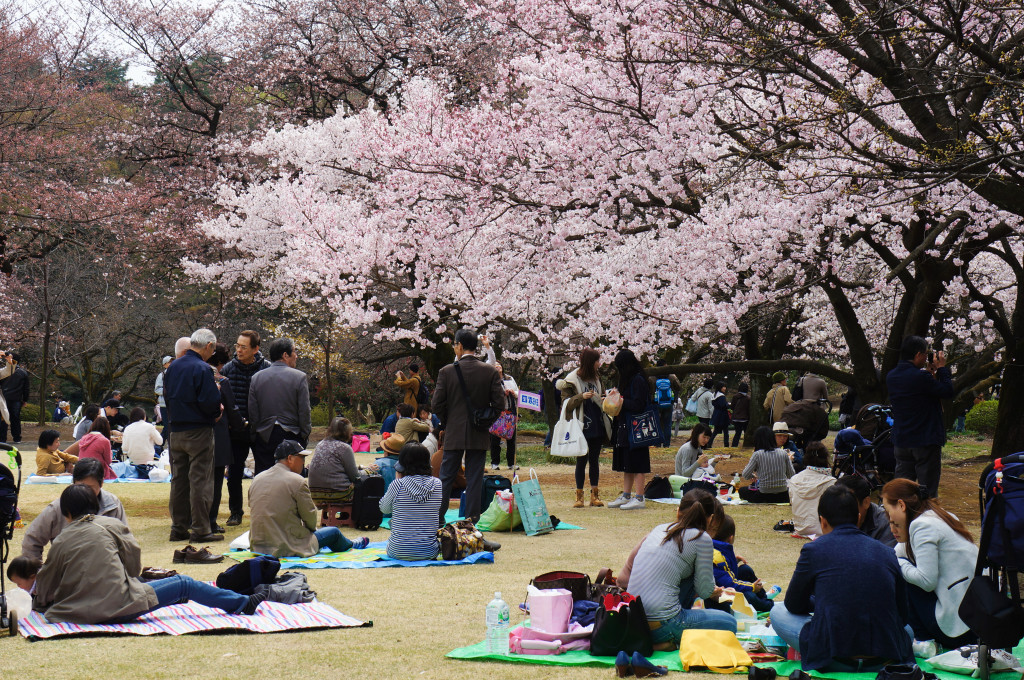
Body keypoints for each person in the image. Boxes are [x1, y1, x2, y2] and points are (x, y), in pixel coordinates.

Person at [31, 485, 268, 624]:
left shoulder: (61, 539)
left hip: (76, 610)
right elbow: (134, 568)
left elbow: (46, 583)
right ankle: (242, 604)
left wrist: (40, 603)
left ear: (67, 513)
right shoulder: (110, 525)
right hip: (121, 605)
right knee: (183, 583)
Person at [770, 485, 914, 672]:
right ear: (859, 518)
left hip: (834, 655)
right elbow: (902, 615)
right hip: (883, 655)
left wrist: (822, 605)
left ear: (822, 522)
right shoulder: (887, 552)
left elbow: (793, 605)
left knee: (778, 612)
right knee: (908, 631)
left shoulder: (814, 550)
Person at [619, 490, 736, 650]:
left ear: (678, 510)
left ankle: (657, 640)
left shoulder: (659, 529)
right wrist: (714, 592)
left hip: (634, 620)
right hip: (665, 624)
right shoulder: (702, 538)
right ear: (710, 519)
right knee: (729, 622)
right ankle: (664, 642)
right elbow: (704, 591)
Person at [881, 479, 978, 649]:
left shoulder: (921, 525)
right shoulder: (940, 516)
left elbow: (927, 581)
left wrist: (896, 564)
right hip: (976, 622)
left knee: (902, 570)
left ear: (901, 505)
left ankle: (922, 640)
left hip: (957, 628)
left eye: (888, 511)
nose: (889, 520)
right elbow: (894, 553)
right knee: (900, 563)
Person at [432, 328, 505, 526]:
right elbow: (500, 404)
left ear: (460, 346)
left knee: (445, 478)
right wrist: (485, 420)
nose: (454, 348)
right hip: (479, 433)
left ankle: (437, 520)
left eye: (455, 344)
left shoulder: (446, 371)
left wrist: (449, 420)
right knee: (474, 479)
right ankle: (471, 522)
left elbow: (436, 404)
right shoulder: (489, 371)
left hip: (454, 432)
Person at [248, 440, 368, 558]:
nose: (303, 462)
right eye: (301, 457)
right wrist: (311, 531)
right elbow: (310, 518)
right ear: (290, 458)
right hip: (285, 545)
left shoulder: (257, 478)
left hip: (258, 545)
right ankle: (352, 544)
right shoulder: (296, 481)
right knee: (334, 533)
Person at [165, 328, 223, 543]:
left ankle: (178, 527)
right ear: (208, 346)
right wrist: (217, 412)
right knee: (200, 480)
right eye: (213, 349)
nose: (213, 353)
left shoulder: (173, 367)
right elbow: (210, 402)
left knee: (178, 480)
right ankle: (200, 529)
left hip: (176, 431)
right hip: (198, 431)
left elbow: (166, 398)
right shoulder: (203, 369)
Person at [885, 336, 954, 498]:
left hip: (902, 439)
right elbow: (947, 391)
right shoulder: (920, 377)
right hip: (925, 439)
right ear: (917, 355)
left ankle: (901, 519)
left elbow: (920, 393)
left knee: (902, 489)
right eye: (925, 354)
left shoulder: (892, 376)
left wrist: (930, 374)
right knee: (927, 490)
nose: (926, 358)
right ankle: (926, 518)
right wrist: (942, 369)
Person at [22, 458, 128, 561]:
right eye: (81, 486)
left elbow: (125, 542)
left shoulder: (112, 505)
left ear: (101, 484)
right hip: (67, 573)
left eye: (90, 488)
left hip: (105, 571)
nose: (85, 492)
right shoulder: (58, 507)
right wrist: (36, 574)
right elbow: (32, 539)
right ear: (73, 483)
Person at [221, 330, 272, 526]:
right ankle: (236, 511)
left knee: (263, 473)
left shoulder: (266, 369)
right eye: (237, 346)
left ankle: (262, 510)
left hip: (260, 429)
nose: (239, 350)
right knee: (234, 473)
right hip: (236, 429)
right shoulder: (227, 370)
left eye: (244, 347)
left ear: (255, 349)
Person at [248, 337, 311, 475]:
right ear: (285, 355)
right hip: (292, 435)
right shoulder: (299, 377)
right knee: (291, 478)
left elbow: (253, 412)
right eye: (294, 351)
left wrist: (254, 436)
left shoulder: (256, 378)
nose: (296, 356)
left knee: (264, 478)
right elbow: (304, 411)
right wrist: (304, 435)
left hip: (264, 436)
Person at [559, 348, 612, 508]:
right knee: (581, 460)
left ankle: (594, 495)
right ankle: (579, 496)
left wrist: (605, 398)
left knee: (594, 460)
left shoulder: (597, 378)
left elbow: (602, 396)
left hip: (597, 422)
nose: (599, 363)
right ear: (591, 362)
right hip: (580, 424)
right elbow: (565, 404)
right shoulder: (572, 380)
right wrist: (581, 397)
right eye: (597, 360)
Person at [379, 442, 443, 560]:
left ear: (403, 464)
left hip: (397, 551)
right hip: (429, 552)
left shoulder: (398, 484)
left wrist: (398, 480)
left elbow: (384, 509)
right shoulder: (437, 484)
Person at [608, 349, 653, 510]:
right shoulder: (627, 380)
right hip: (626, 426)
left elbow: (639, 405)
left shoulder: (638, 380)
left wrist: (621, 400)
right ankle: (627, 495)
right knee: (627, 462)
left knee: (638, 461)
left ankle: (639, 497)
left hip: (638, 428)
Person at [207, 343, 246, 533]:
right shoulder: (221, 380)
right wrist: (241, 425)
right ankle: (210, 520)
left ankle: (192, 518)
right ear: (221, 362)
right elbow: (232, 408)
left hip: (193, 433)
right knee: (215, 480)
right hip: (218, 435)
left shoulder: (195, 374)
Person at [711, 515, 775, 612]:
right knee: (749, 595)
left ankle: (764, 597)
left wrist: (733, 561)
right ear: (730, 538)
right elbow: (730, 583)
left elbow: (725, 572)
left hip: (724, 584)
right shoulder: (717, 556)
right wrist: (752, 587)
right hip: (721, 594)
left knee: (745, 569)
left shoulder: (717, 547)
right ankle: (767, 605)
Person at [308, 417, 365, 504]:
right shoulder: (344, 448)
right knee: (366, 485)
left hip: (315, 494)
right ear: (346, 432)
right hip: (339, 493)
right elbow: (355, 476)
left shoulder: (320, 444)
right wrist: (368, 471)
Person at [787, 442, 836, 538]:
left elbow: (792, 501)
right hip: (823, 530)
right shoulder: (831, 482)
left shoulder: (794, 479)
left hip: (800, 529)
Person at [738, 425, 795, 503]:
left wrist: (752, 476)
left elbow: (745, 474)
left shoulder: (758, 454)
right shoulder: (783, 453)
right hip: (783, 494)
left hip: (763, 495)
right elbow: (791, 475)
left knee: (742, 490)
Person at [835, 475, 896, 547]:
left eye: (848, 504)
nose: (841, 510)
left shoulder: (887, 524)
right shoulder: (832, 517)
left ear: (866, 502)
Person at [489, 361, 520, 471]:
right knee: (495, 439)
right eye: (495, 365)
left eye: (499, 364)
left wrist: (513, 392)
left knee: (511, 438)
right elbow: (489, 395)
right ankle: (495, 462)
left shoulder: (510, 378)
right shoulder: (491, 380)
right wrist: (502, 393)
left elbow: (518, 391)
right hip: (498, 412)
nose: (498, 366)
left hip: (510, 411)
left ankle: (511, 463)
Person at [0, 350, 29, 444]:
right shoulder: (23, 373)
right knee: (14, 418)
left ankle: (2, 439)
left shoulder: (12, 371)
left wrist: (9, 362)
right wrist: (25, 399)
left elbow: (7, 371)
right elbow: (26, 388)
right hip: (15, 399)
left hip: (5, 398)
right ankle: (16, 438)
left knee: (4, 419)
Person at [650, 361, 681, 446]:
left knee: (656, 424)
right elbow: (678, 386)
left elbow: (648, 389)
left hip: (655, 403)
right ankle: (667, 444)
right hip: (668, 403)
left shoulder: (652, 377)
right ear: (665, 365)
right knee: (667, 424)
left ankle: (657, 443)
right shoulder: (671, 376)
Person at [708, 382, 730, 448]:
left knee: (715, 431)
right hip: (722, 415)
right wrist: (728, 405)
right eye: (724, 387)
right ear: (720, 387)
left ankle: (709, 443)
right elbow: (723, 405)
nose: (725, 388)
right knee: (725, 431)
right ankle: (726, 445)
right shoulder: (721, 396)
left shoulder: (714, 395)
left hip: (716, 414)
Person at [729, 383, 750, 447]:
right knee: (746, 433)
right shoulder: (748, 398)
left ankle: (734, 446)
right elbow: (749, 409)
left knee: (737, 433)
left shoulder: (735, 397)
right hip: (745, 418)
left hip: (736, 418)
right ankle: (747, 445)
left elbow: (732, 407)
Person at [154, 355, 171, 424]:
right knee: (167, 427)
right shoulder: (162, 375)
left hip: (174, 404)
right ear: (164, 365)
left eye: (172, 361)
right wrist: (168, 391)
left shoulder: (177, 374)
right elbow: (157, 390)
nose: (171, 363)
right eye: (169, 362)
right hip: (164, 405)